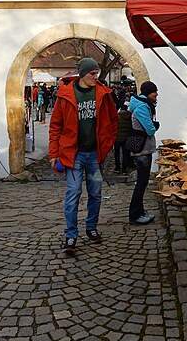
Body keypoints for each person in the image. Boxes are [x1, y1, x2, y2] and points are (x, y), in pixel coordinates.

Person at [48, 57, 118, 254]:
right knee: (73, 193)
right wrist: (54, 153)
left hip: (95, 154)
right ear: (83, 74)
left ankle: (91, 227)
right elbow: (55, 127)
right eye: (92, 74)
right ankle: (71, 235)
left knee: (95, 193)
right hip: (73, 154)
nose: (96, 77)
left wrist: (108, 143)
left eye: (97, 73)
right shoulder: (65, 96)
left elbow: (113, 120)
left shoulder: (103, 94)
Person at [128, 81, 159, 225]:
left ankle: (140, 211)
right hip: (142, 150)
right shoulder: (142, 107)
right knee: (141, 182)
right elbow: (150, 129)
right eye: (154, 92)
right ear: (148, 93)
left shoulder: (144, 105)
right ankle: (135, 215)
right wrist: (155, 126)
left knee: (143, 182)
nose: (156, 94)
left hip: (145, 148)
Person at [114, 102, 132, 173]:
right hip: (126, 138)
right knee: (125, 153)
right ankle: (124, 168)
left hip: (117, 138)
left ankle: (117, 167)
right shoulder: (130, 116)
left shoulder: (117, 117)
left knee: (117, 153)